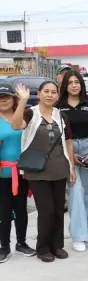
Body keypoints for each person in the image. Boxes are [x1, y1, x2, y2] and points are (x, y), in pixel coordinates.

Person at [12, 82, 76, 263]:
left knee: (58, 211)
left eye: (53, 92)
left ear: (57, 96)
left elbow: (68, 143)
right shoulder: (30, 113)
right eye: (46, 92)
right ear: (39, 94)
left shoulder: (61, 116)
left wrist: (71, 167)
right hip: (37, 170)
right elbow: (16, 126)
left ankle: (57, 246)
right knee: (46, 210)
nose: (50, 95)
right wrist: (23, 101)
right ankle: (43, 248)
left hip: (59, 168)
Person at [56, 70, 88, 252]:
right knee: (75, 193)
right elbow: (58, 133)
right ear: (65, 85)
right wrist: (70, 154)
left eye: (77, 82)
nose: (74, 85)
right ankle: (78, 236)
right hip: (68, 147)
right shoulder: (58, 106)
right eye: (70, 82)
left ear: (82, 84)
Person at [0, 82, 35, 263]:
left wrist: (23, 100)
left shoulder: (21, 116)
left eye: (7, 96)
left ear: (14, 98)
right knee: (4, 211)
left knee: (21, 209)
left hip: (22, 172)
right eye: (0, 97)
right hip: (3, 174)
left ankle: (21, 242)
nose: (3, 100)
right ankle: (4, 246)